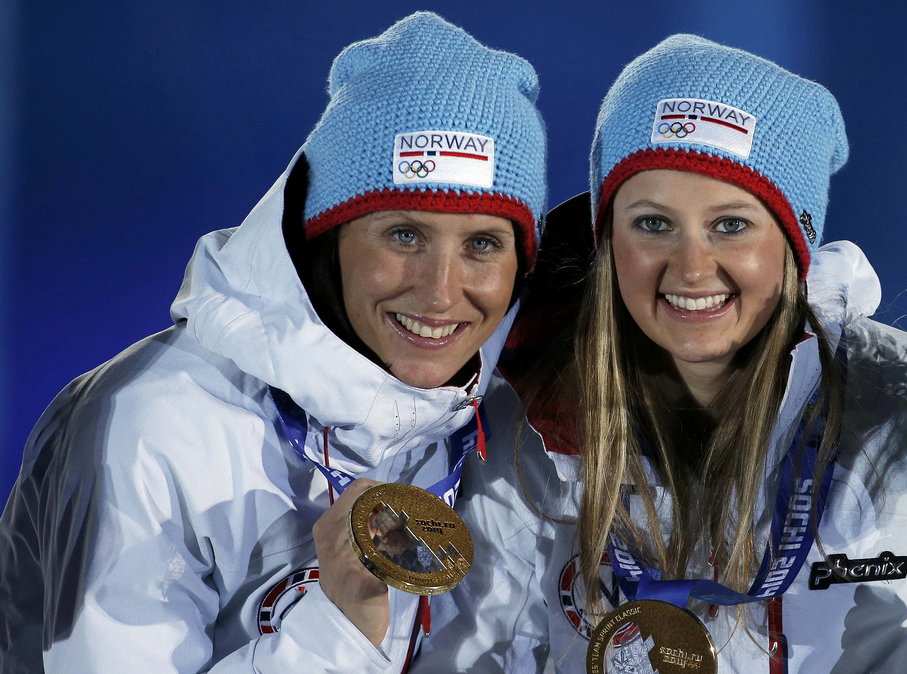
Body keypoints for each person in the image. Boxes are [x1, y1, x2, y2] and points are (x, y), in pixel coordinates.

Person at [417, 35, 907, 672]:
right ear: (606, 242)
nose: (692, 268)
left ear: (794, 242)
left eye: (731, 225)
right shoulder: (516, 432)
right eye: (653, 224)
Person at [0, 12, 546, 673]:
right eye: (404, 235)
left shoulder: (499, 422)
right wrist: (336, 634)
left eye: (482, 244)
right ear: (325, 243)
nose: (440, 291)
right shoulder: (149, 427)